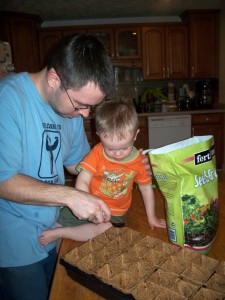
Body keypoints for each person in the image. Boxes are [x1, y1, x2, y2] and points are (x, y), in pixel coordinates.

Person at [0, 34, 115, 300]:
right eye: (82, 105)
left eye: (91, 107)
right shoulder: (8, 100)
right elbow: (3, 180)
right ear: (54, 79)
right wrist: (71, 195)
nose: (86, 115)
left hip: (48, 230)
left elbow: (77, 163)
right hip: (11, 240)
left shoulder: (69, 109)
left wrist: (115, 166)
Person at [39, 99, 166, 246]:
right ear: (99, 135)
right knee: (57, 222)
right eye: (110, 149)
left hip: (113, 212)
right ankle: (59, 232)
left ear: (136, 135)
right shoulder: (98, 152)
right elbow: (83, 180)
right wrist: (86, 203)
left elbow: (146, 189)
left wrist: (152, 217)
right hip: (86, 203)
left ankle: (62, 233)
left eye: (124, 148)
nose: (118, 154)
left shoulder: (139, 162)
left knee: (106, 229)